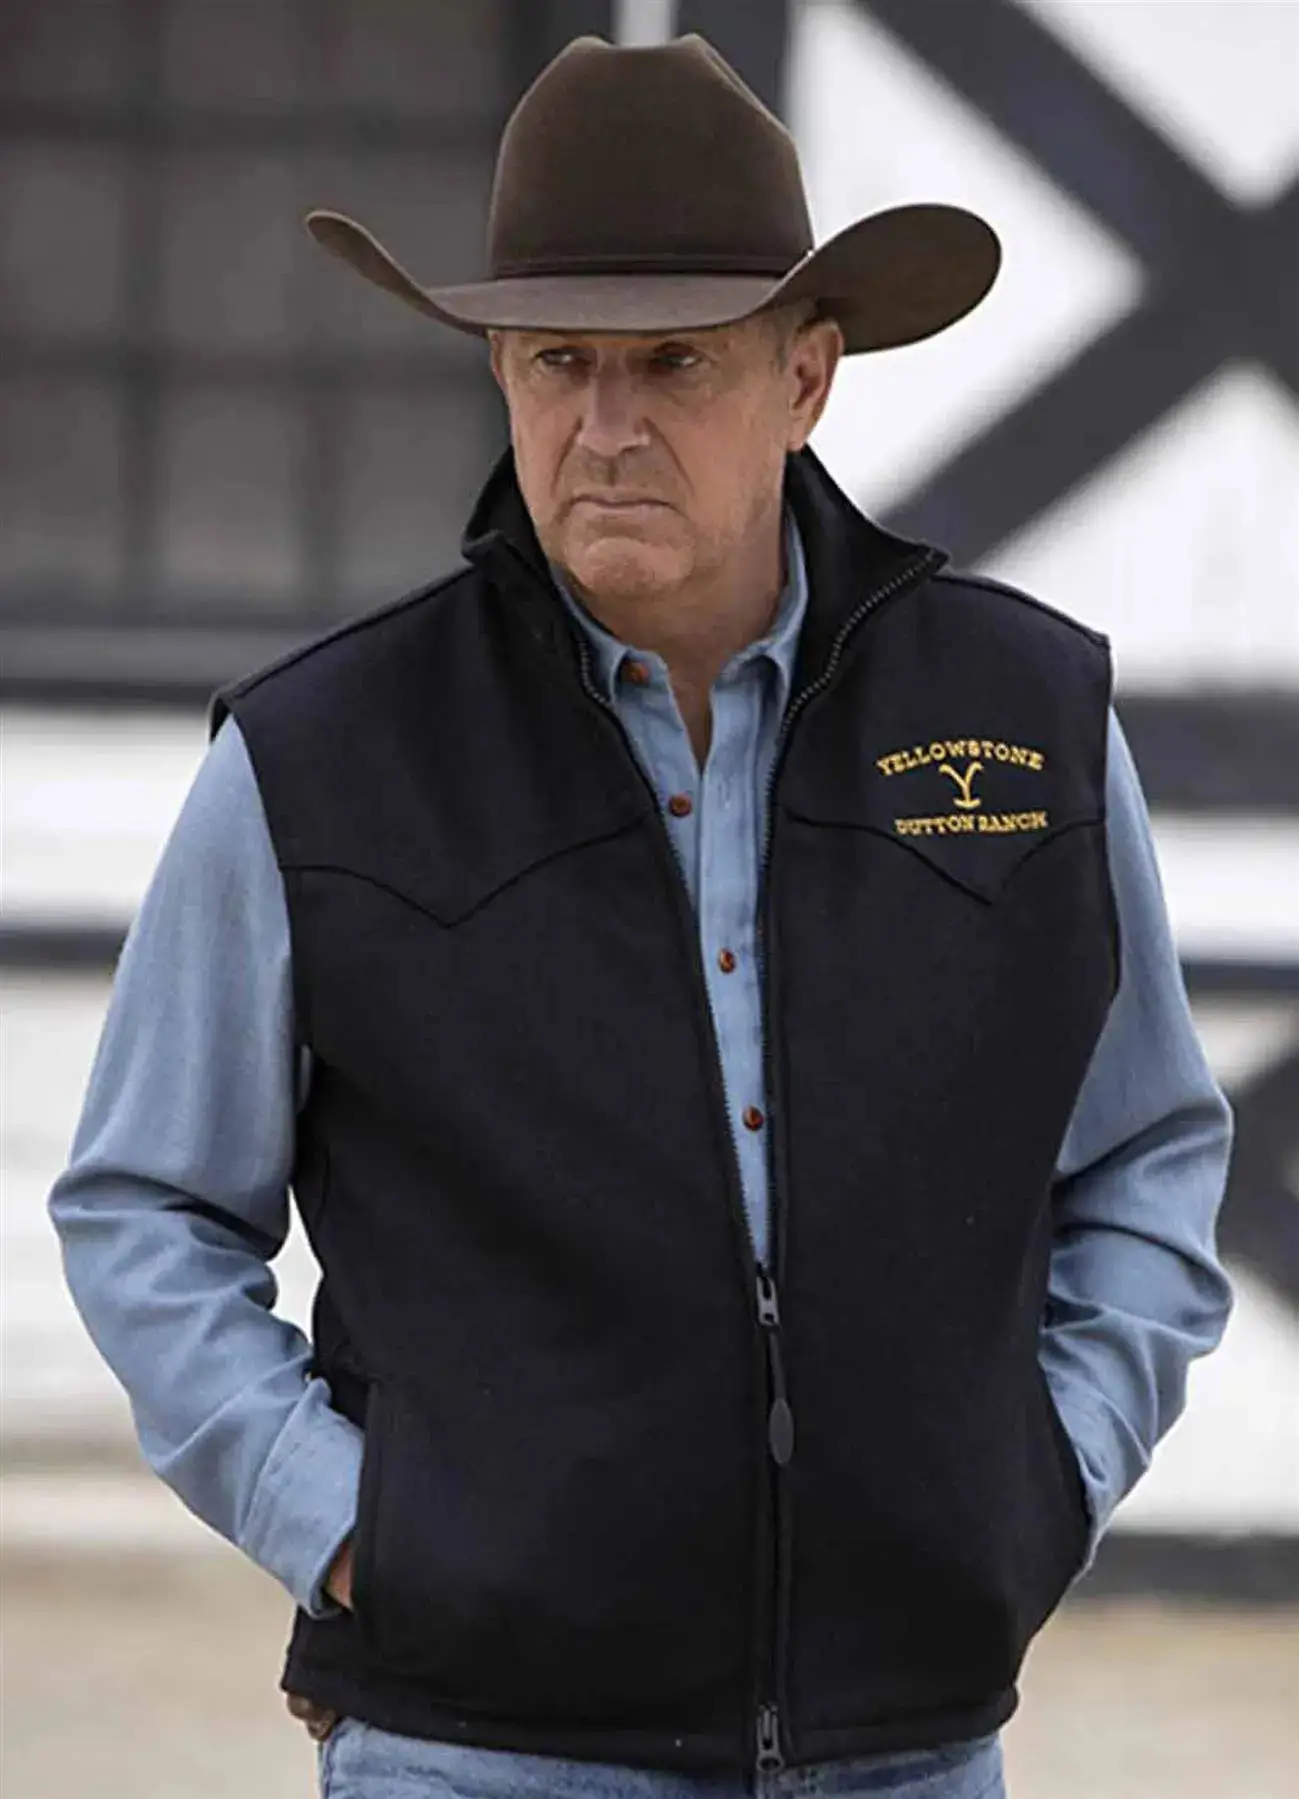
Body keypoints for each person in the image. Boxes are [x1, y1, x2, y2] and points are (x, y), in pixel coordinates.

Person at [49, 33, 1233, 1799]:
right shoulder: (320, 761)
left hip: (905, 1754)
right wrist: (356, 1531)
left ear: (805, 375)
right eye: (558, 363)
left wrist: (1042, 1479)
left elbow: (1146, 1150)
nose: (605, 429)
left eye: (674, 360)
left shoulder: (1028, 719)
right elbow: (144, 1205)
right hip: (472, 1753)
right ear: (503, 375)